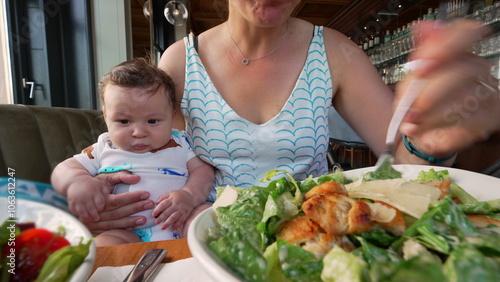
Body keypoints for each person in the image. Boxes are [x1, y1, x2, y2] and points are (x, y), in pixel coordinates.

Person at [52, 0, 499, 236]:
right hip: (210, 236)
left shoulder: (337, 51)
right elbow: (158, 159)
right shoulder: (179, 61)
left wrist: (432, 140)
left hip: (315, 231)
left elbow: (401, 158)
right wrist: (103, 200)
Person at [51, 58, 214, 246]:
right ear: (106, 116)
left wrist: (189, 196)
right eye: (124, 121)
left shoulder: (181, 142)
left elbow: (203, 171)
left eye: (152, 121)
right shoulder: (105, 146)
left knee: (206, 218)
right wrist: (77, 182)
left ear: (172, 116)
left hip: (179, 221)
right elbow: (64, 169)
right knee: (102, 246)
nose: (138, 133)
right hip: (124, 231)